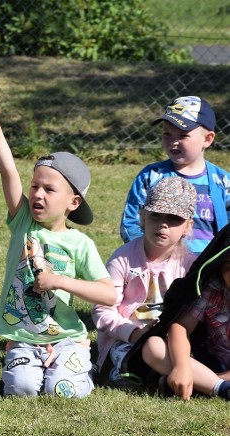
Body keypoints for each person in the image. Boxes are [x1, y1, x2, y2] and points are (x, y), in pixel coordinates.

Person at [0, 85, 115, 398]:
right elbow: (7, 171)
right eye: (35, 185)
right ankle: (24, 358)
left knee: (63, 392)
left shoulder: (80, 244)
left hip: (66, 338)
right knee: (21, 390)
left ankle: (75, 365)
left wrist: (61, 281)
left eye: (49, 190)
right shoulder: (23, 221)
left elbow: (108, 295)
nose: (37, 194)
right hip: (24, 336)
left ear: (72, 203)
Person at [93, 177, 197, 386]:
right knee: (128, 361)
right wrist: (132, 333)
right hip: (127, 336)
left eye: (174, 218)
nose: (163, 224)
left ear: (188, 226)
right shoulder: (123, 258)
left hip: (170, 338)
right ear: (142, 217)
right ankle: (132, 371)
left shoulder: (190, 264)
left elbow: (194, 312)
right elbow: (102, 310)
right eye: (155, 216)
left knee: (185, 357)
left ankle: (172, 377)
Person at [120, 96, 230, 254]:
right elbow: (131, 222)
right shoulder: (151, 176)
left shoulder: (223, 182)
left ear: (207, 139)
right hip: (160, 261)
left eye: (183, 135)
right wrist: (146, 255)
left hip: (206, 266)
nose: (173, 141)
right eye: (167, 134)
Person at [139, 243, 230, 400]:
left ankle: (208, 385)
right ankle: (217, 387)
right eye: (228, 264)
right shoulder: (213, 287)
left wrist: (210, 377)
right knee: (154, 347)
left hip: (213, 372)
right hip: (213, 361)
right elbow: (181, 326)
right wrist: (182, 367)